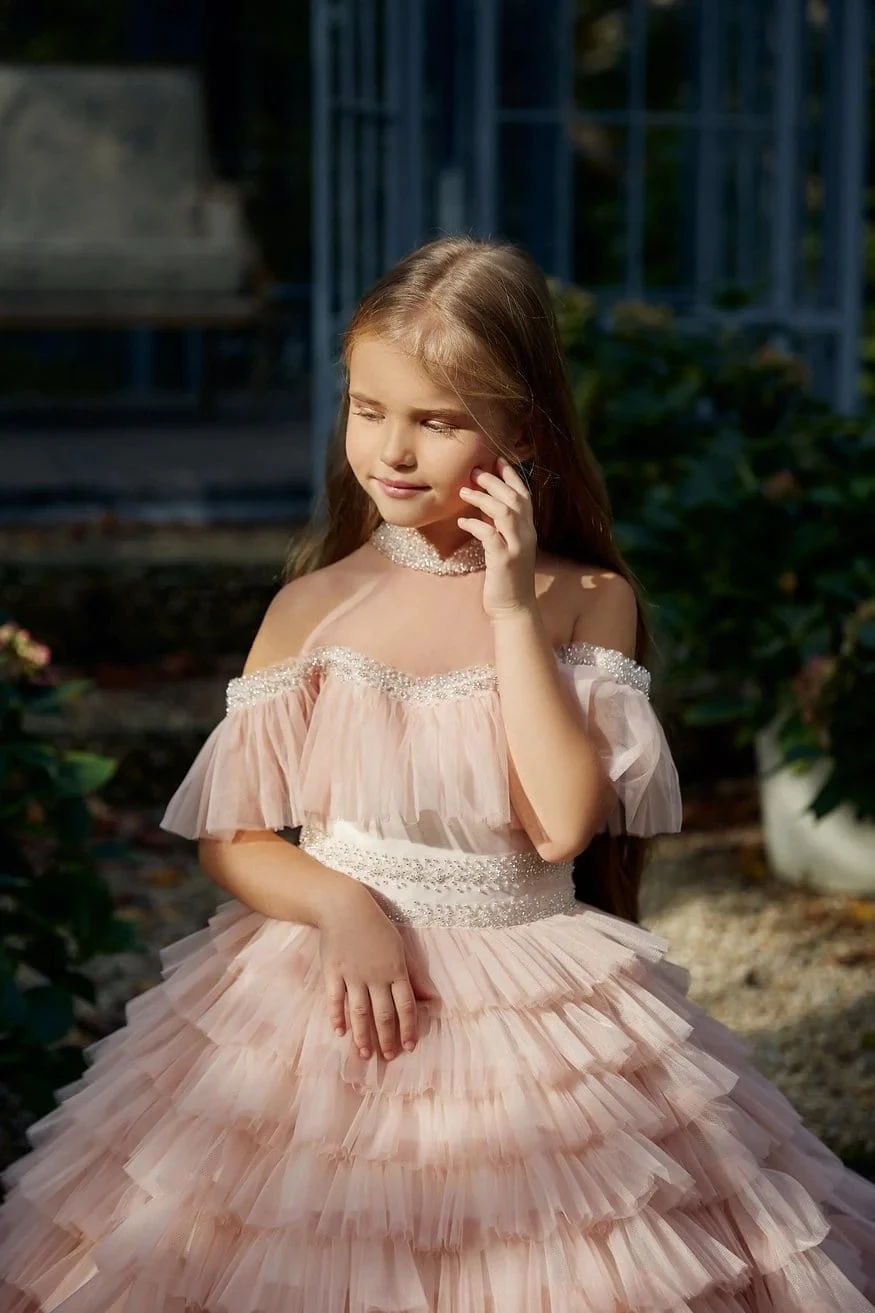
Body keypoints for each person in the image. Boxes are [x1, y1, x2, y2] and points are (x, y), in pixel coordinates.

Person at [1, 236, 873, 1313]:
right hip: (324, 990)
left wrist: (509, 612)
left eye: (438, 418)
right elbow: (232, 833)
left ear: (523, 430)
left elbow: (560, 827)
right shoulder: (313, 607)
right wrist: (338, 901)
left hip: (531, 988)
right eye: (368, 409)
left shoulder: (582, 599)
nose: (393, 450)